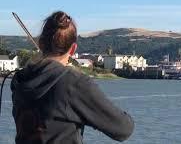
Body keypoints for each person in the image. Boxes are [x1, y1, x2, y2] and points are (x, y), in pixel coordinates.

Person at [10, 11, 134, 144]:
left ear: (40, 44)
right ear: (73, 49)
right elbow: (123, 129)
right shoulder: (73, 83)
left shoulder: (19, 80)